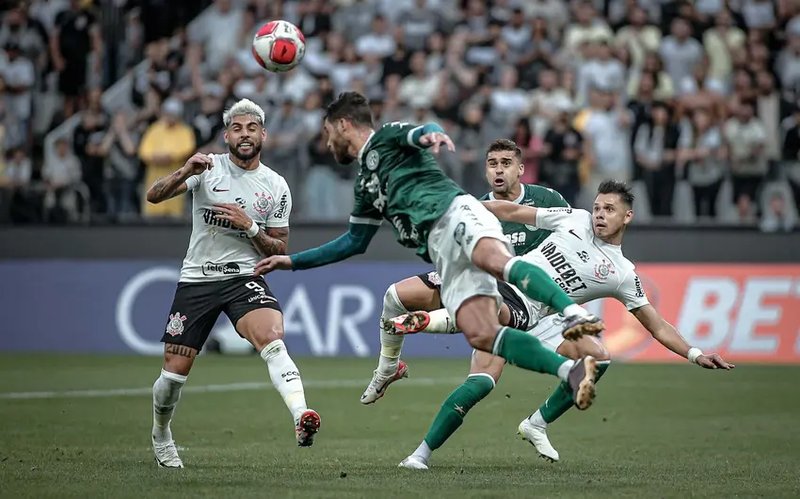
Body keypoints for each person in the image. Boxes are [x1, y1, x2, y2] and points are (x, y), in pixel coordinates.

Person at [255, 91, 606, 424]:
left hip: (458, 213)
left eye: (328, 130)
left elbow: (423, 132)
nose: (326, 141)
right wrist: (293, 261)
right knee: (483, 334)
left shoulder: (388, 136)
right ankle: (568, 371)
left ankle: (573, 313)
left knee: (496, 260)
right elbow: (352, 243)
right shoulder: (365, 186)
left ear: (344, 124)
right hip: (441, 251)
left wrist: (433, 135)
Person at [394, 180, 735, 470]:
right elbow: (513, 212)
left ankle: (536, 423)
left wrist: (694, 353)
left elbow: (657, 325)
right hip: (506, 289)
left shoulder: (621, 274)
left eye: (610, 210)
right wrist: (463, 206)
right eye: (598, 207)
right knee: (482, 382)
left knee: (598, 358)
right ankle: (419, 455)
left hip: (545, 317)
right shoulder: (576, 219)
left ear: (627, 216)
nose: (600, 215)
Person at [145, 98, 320, 468]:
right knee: (174, 374)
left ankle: (301, 415)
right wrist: (183, 171)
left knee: (272, 337)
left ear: (263, 135)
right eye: (237, 128)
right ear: (227, 135)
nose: (244, 134)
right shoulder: (205, 168)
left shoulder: (275, 186)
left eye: (251, 128)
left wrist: (250, 226)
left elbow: (278, 247)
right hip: (197, 278)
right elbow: (154, 195)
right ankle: (161, 436)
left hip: (244, 278)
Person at [360, 138, 570, 405]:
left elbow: (571, 240)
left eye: (506, 164)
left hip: (527, 299)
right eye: (492, 164)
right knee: (395, 295)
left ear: (520, 169)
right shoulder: (474, 209)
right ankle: (388, 368)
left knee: (485, 375)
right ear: (485, 170)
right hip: (481, 282)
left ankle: (539, 420)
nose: (498, 170)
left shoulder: (547, 199)